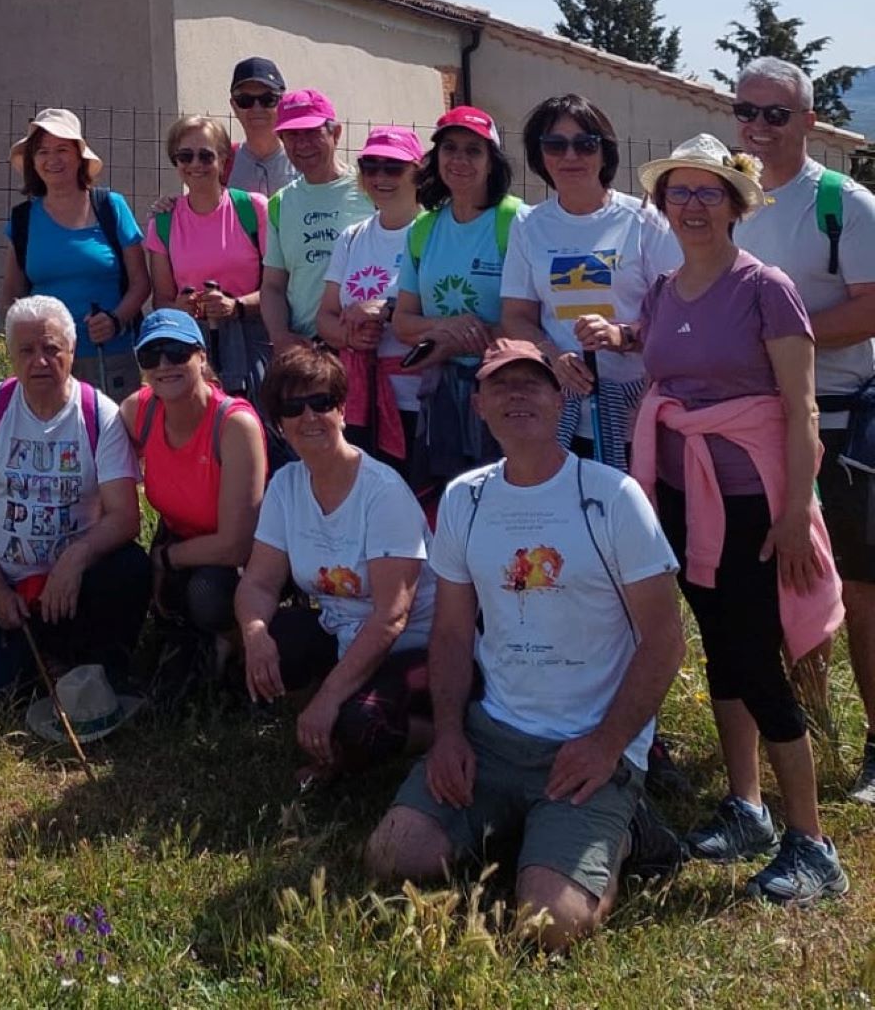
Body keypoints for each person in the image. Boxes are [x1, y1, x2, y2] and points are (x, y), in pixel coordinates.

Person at [366, 340, 686, 951]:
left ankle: (629, 828)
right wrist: (452, 734)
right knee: (391, 858)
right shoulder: (465, 498)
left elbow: (666, 640)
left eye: (533, 383)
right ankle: (533, 828)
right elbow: (455, 633)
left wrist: (607, 744)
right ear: (478, 403)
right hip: (494, 737)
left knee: (549, 930)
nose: (518, 396)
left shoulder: (613, 496)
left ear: (559, 397)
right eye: (501, 386)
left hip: (588, 745)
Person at [618, 134, 849, 904]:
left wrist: (793, 513)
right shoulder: (662, 290)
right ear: (662, 206)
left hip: (752, 501)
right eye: (678, 193)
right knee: (719, 646)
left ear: (736, 204)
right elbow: (667, 362)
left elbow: (801, 406)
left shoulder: (766, 287)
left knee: (754, 660)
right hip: (682, 495)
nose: (691, 206)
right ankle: (746, 807)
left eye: (708, 192)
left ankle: (813, 844)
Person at [731, 57, 875, 807]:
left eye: (775, 114)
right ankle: (812, 726)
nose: (757, 126)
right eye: (745, 110)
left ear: (809, 122)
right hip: (759, 424)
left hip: (840, 419)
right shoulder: (729, 198)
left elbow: (871, 306)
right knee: (787, 582)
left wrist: (780, 342)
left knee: (862, 587)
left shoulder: (842, 204)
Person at [235, 344, 435, 778]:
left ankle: (438, 736)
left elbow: (391, 618)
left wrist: (329, 698)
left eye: (321, 402)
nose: (309, 417)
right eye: (293, 406)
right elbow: (259, 584)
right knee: (275, 637)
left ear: (343, 410)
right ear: (279, 423)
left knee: (361, 725)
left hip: (414, 649)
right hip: (342, 633)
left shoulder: (383, 492)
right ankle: (327, 723)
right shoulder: (286, 485)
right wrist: (254, 635)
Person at [0, 296, 152, 698]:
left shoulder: (100, 416)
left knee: (131, 567)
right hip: (8, 582)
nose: (39, 361)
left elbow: (126, 517)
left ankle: (103, 666)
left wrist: (74, 560)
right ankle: (44, 662)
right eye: (26, 350)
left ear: (72, 352)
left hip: (76, 585)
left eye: (51, 349)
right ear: (8, 354)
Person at [502, 95, 679, 474]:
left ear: (604, 152)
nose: (571, 156)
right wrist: (552, 357)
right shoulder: (528, 225)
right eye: (555, 144)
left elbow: (678, 316)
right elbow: (516, 316)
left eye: (585, 144)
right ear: (540, 155)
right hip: (560, 415)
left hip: (638, 413)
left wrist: (622, 336)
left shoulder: (644, 221)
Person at [118, 310, 266, 674]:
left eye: (177, 351)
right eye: (151, 356)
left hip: (239, 557)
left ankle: (239, 646)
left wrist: (164, 560)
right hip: (177, 537)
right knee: (127, 574)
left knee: (206, 596)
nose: (165, 364)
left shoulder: (234, 424)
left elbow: (236, 544)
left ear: (202, 356)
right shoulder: (138, 410)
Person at [393, 107, 522, 520]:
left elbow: (529, 320)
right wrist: (447, 329)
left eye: (473, 151)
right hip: (443, 398)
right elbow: (404, 322)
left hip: (506, 390)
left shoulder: (517, 221)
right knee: (448, 510)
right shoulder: (423, 229)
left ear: (491, 162)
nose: (460, 161)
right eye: (450, 149)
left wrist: (475, 334)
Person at [1, 108, 151, 401]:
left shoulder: (110, 206)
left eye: (62, 149)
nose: (52, 159)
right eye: (42, 151)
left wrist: (115, 320)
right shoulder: (22, 220)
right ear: (33, 160)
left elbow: (141, 282)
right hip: (46, 364)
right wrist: (24, 345)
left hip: (111, 356)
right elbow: (11, 291)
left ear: (79, 156)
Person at [317, 126, 426, 470]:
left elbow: (441, 309)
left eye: (393, 167)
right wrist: (351, 335)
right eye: (370, 166)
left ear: (417, 172)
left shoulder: (432, 232)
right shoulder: (351, 238)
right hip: (360, 400)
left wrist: (387, 311)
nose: (380, 177)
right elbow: (325, 316)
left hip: (420, 399)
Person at [145, 114, 271, 398]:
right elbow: (161, 299)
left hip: (251, 342)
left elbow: (277, 287)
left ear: (224, 159)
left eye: (205, 156)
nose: (195, 165)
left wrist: (236, 305)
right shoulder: (163, 222)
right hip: (191, 345)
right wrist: (180, 307)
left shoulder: (253, 209)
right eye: (185, 156)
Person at [260, 89, 371, 358]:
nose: (302, 144)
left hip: (367, 344)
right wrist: (280, 337)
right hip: (307, 349)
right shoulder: (280, 203)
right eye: (292, 135)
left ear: (336, 133)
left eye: (312, 133)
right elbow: (273, 285)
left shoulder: (372, 190)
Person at [225, 56, 295, 194]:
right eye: (245, 100)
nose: (257, 108)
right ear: (234, 106)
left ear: (282, 103)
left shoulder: (302, 160)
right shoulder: (223, 162)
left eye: (268, 99)